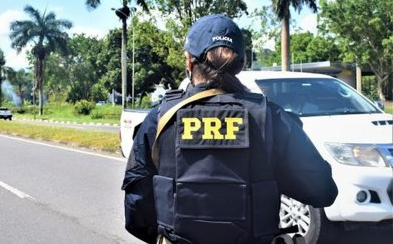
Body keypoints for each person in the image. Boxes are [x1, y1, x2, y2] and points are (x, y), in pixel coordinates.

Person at [121, 14, 337, 244]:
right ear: (241, 63)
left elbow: (136, 211)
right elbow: (322, 189)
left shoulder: (160, 119)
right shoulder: (271, 117)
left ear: (188, 62)